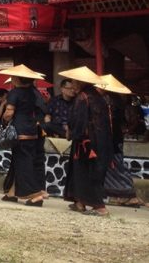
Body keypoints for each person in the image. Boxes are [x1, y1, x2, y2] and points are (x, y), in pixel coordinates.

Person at [62, 66, 113, 216]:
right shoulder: (99, 96)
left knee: (88, 172)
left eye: (73, 81)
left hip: (87, 142)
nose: (72, 84)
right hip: (101, 141)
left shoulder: (82, 98)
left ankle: (99, 207)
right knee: (82, 172)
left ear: (79, 81)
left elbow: (79, 120)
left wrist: (72, 133)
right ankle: (80, 202)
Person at [0, 64, 48, 207]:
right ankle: (12, 192)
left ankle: (35, 194)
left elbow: (9, 113)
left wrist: (3, 122)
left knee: (23, 164)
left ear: (16, 79)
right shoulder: (33, 93)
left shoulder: (15, 93)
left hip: (19, 132)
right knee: (19, 161)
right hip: (32, 131)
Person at [98, 74, 146, 208]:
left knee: (117, 166)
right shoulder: (116, 100)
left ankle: (129, 196)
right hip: (114, 137)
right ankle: (122, 196)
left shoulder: (108, 101)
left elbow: (110, 122)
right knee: (114, 167)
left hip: (111, 138)